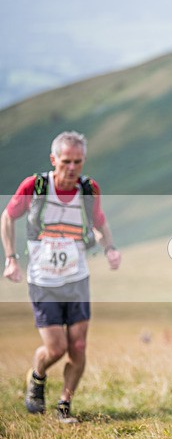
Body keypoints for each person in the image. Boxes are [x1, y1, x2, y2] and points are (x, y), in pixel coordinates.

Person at [2, 131, 121, 423]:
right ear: (54, 159)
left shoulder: (89, 190)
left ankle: (64, 405)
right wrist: (11, 259)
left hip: (76, 278)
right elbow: (7, 217)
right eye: (66, 161)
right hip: (44, 280)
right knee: (57, 348)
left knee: (78, 346)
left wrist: (110, 249)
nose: (71, 168)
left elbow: (100, 222)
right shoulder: (36, 186)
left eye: (77, 162)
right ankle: (38, 375)